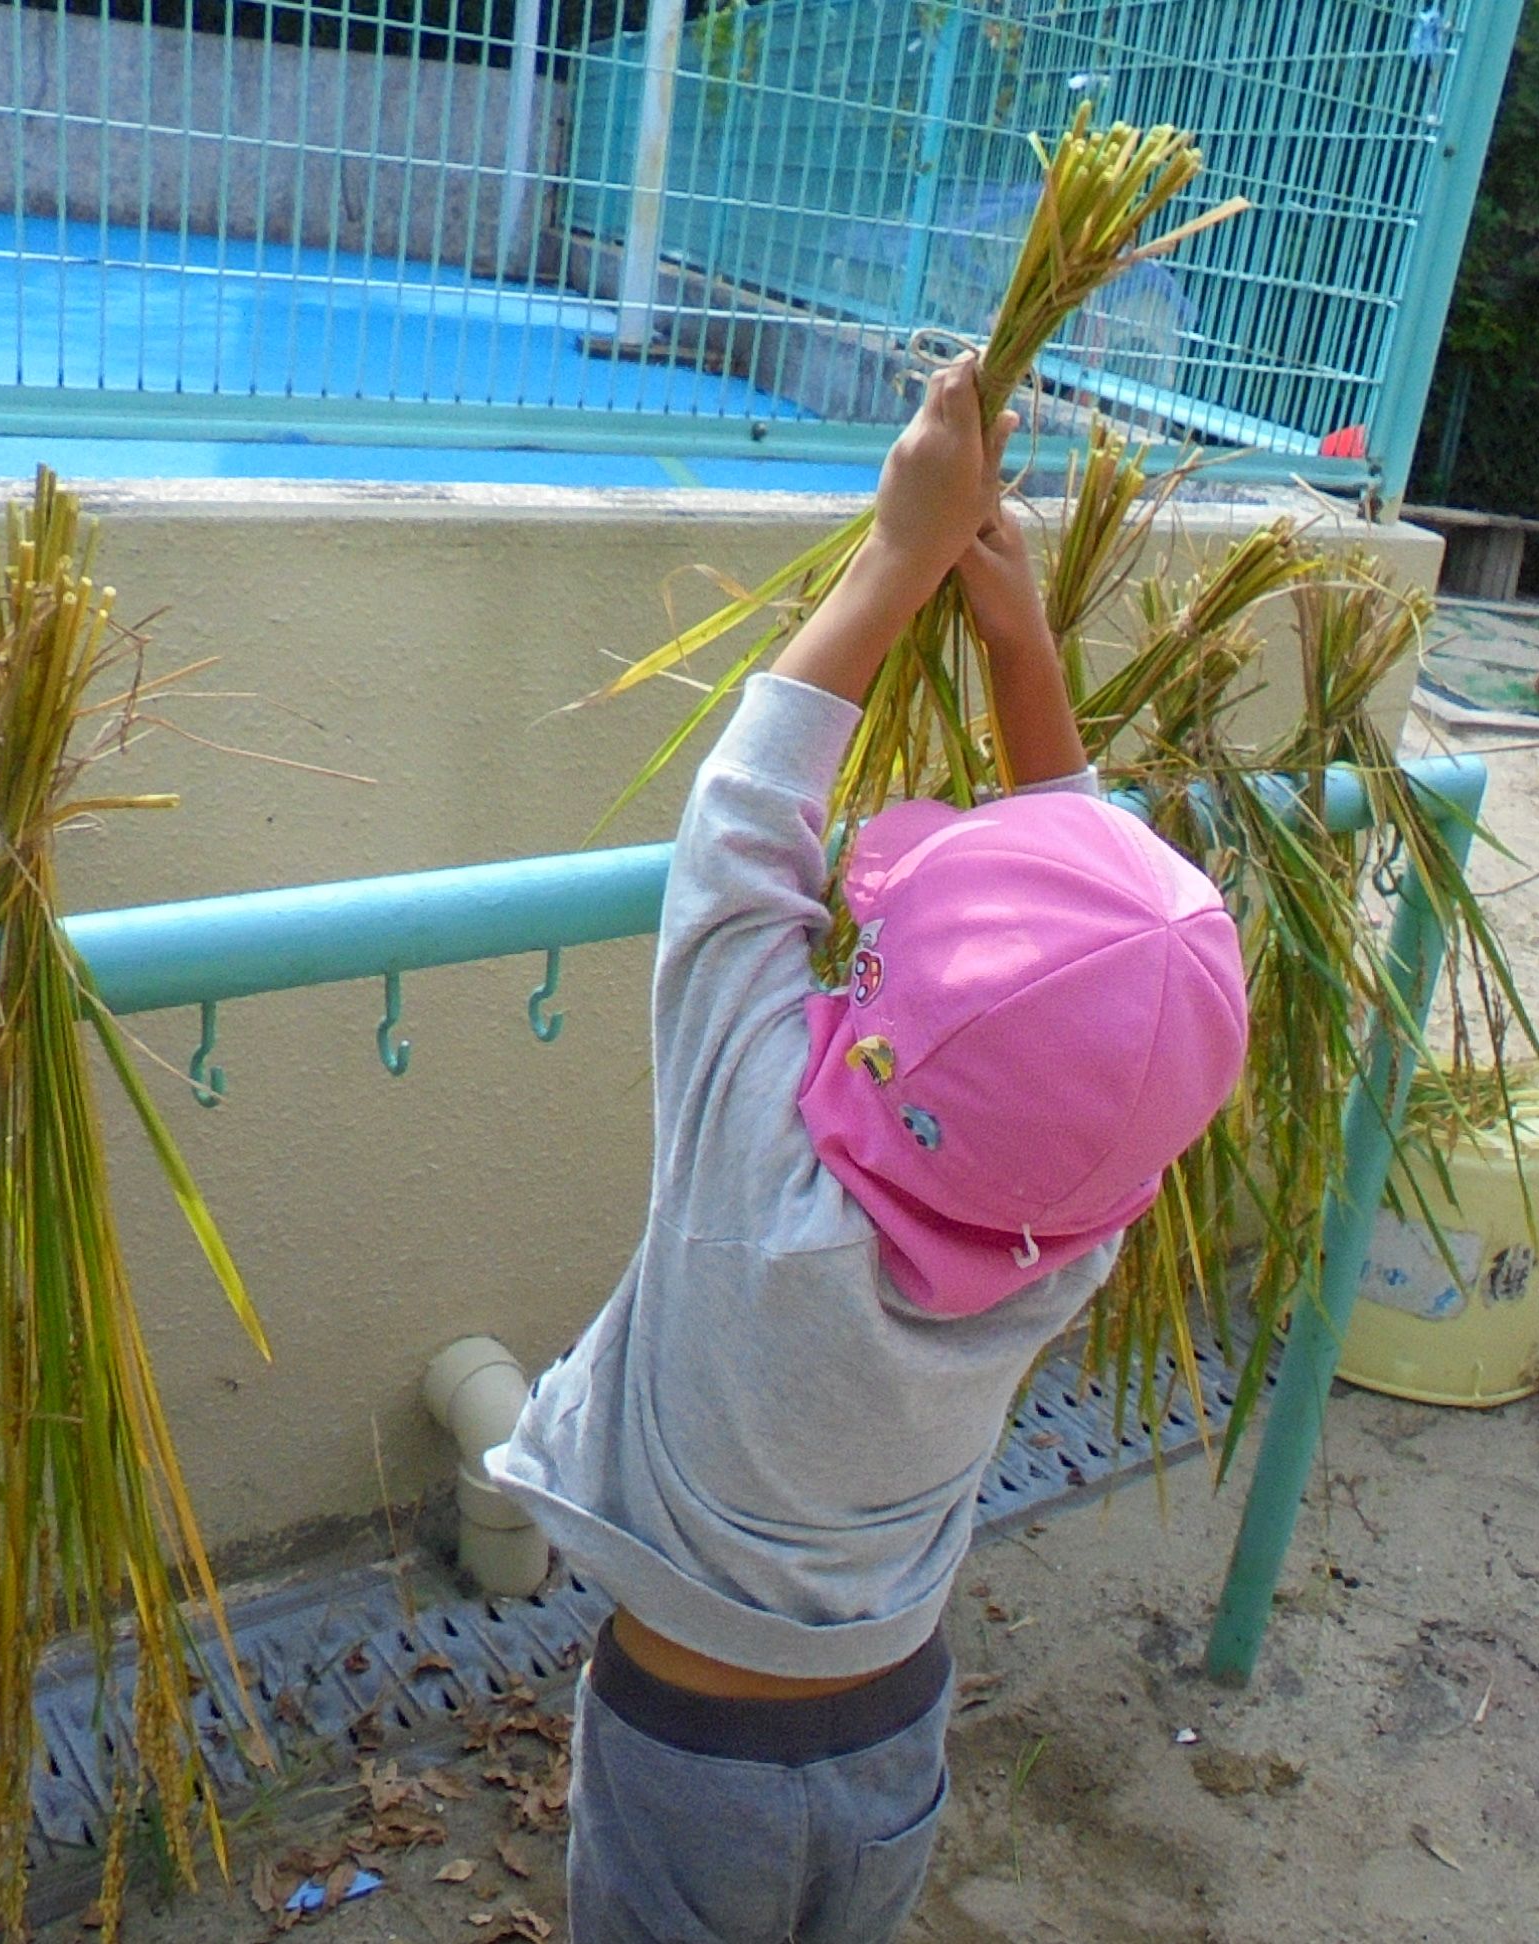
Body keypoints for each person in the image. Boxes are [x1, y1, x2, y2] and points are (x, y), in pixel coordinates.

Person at [490, 356, 1250, 1944]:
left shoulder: (757, 1166)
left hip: (688, 1757)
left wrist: (904, 555)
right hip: (895, 1726)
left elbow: (746, 813)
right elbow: (1088, 951)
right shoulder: (1076, 1222)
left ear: (880, 1018)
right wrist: (1017, 638)